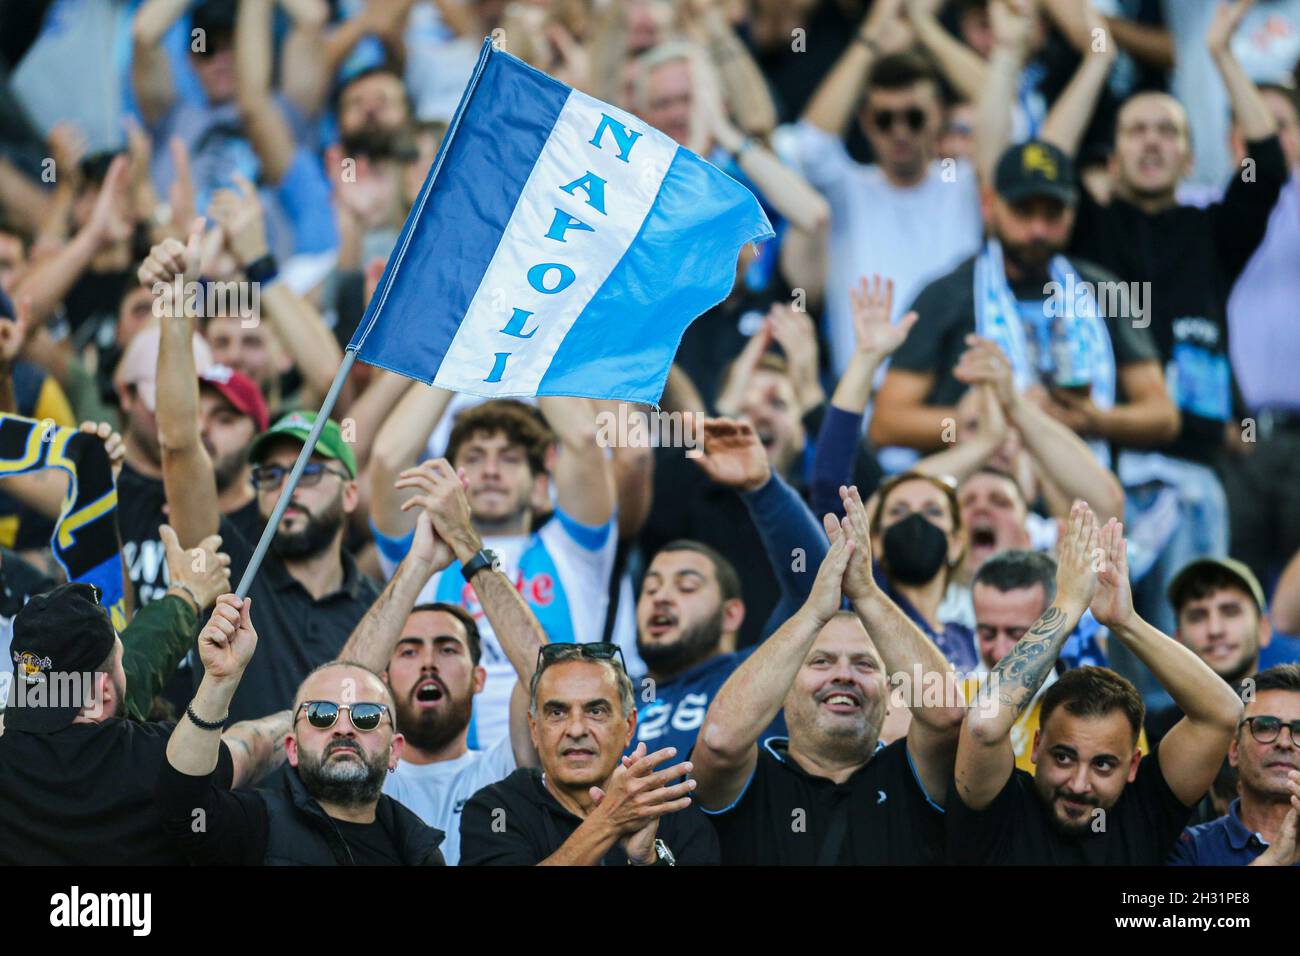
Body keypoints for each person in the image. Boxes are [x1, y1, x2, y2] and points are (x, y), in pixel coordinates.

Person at [1043, 1, 1289, 637]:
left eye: (1168, 132)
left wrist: (1220, 56)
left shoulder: (1213, 233)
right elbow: (1046, 159)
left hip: (1204, 466)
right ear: (1114, 157)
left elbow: (1268, 161)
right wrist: (1099, 61)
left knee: (1199, 633)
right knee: (1114, 635)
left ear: (1188, 157)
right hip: (1106, 465)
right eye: (1136, 131)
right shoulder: (1089, 227)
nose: (1152, 141)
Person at [948, 505, 1244, 864]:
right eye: (1063, 757)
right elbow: (982, 725)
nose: (1078, 784)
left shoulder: (1143, 809)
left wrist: (1125, 622)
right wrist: (1068, 605)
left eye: (1103, 765)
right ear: (1037, 748)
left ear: (1134, 764)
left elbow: (1223, 713)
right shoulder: (1002, 807)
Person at [691, 486, 966, 864]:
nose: (844, 675)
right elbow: (719, 740)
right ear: (782, 690)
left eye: (864, 664)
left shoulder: (912, 773)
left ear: (890, 696)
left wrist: (867, 593)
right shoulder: (753, 777)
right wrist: (813, 612)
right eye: (821, 662)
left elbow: (949, 714)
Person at [873, 138, 1178, 457]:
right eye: (1022, 211)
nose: (1037, 230)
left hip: (1086, 493)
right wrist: (989, 421)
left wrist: (1094, 419)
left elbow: (1162, 416)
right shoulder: (946, 294)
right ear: (989, 204)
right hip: (980, 497)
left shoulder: (1103, 289)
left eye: (1052, 213)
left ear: (1073, 211)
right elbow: (887, 422)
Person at [369, 392, 616, 749]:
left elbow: (583, 439)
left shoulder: (575, 550)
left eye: (510, 458)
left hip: (558, 764)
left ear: (542, 487)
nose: (489, 470)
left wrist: (539, 348)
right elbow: (388, 458)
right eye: (473, 457)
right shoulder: (424, 550)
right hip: (446, 771)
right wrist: (454, 362)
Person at [335, 460, 551, 865]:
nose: (428, 663)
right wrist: (417, 566)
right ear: (382, 680)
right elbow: (337, 696)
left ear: (480, 678)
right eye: (410, 650)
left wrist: (466, 541)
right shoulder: (358, 770)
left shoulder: (507, 768)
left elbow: (547, 681)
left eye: (448, 649)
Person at [0, 565, 284, 865]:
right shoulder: (161, 758)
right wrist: (301, 716)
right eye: (121, 661)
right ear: (105, 691)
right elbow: (250, 749)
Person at [157, 593, 444, 865]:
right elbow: (182, 806)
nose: (343, 728)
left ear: (395, 750)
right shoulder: (254, 825)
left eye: (366, 716)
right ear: (292, 748)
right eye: (321, 714)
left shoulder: (420, 851)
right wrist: (219, 680)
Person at [795, 5, 983, 376]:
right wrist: (873, 29)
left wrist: (925, 27)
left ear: (938, 117)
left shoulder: (962, 184)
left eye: (914, 117)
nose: (900, 131)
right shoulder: (848, 189)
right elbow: (811, 144)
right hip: (866, 411)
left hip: (957, 402)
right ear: (865, 121)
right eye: (884, 119)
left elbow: (1005, 111)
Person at [459, 643, 719, 865]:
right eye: (557, 712)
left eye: (596, 711)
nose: (576, 729)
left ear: (629, 726)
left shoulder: (673, 811)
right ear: (534, 729)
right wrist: (610, 821)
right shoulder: (494, 810)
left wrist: (649, 861)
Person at [969, 548, 1147, 772]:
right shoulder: (952, 704)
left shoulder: (1110, 710)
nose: (999, 652)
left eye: (1018, 636)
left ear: (1058, 631)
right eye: (987, 633)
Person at [1169, 664, 1300, 866]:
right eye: (1265, 726)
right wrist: (1273, 861)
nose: (1284, 742)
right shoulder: (1189, 849)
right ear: (1234, 749)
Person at [633, 541, 749, 757]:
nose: (660, 597)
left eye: (687, 586)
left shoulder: (753, 676)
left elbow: (810, 598)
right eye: (650, 589)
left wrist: (763, 504)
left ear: (730, 615)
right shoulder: (613, 697)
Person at [1145, 557, 1273, 746]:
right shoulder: (1152, 734)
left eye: (1230, 612)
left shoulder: (1293, 717)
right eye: (1197, 616)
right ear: (1177, 639)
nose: (1215, 630)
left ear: (1263, 629)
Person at [871, 471, 976, 670]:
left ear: (956, 544)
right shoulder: (861, 618)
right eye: (899, 511)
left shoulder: (968, 639)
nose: (916, 521)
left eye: (933, 511)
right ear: (876, 542)